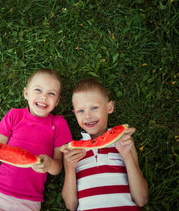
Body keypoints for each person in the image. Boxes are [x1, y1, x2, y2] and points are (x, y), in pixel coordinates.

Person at [0, 69, 72, 211]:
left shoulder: (59, 124)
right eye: (38, 90)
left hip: (29, 201)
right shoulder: (14, 115)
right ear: (26, 93)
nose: (44, 97)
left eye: (51, 93)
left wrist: (49, 165)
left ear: (57, 101)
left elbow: (58, 167)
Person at [61, 78, 148, 211]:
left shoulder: (123, 142)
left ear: (109, 107)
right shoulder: (71, 152)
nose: (88, 116)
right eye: (80, 111)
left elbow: (141, 199)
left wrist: (127, 156)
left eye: (94, 108)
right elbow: (71, 205)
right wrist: (69, 166)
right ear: (74, 114)